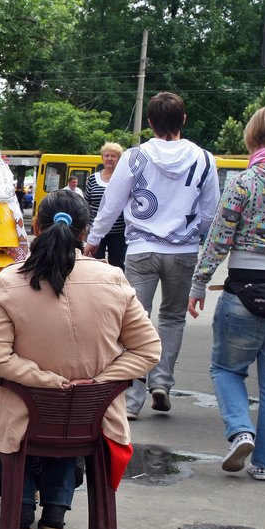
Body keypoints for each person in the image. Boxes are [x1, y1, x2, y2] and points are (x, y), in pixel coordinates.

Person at [0, 189, 160, 529]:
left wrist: (46, 380)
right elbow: (148, 350)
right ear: (84, 232)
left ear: (35, 227)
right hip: (93, 419)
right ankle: (56, 511)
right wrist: (98, 381)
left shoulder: (6, 281)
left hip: (23, 417)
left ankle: (22, 505)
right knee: (68, 414)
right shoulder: (114, 279)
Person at [84, 92, 219, 419]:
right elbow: (209, 212)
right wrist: (190, 234)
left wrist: (93, 240)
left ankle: (131, 400)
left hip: (141, 250)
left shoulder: (133, 157)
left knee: (134, 321)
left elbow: (111, 205)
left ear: (149, 123)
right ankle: (162, 382)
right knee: (172, 319)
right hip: (183, 252)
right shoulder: (203, 158)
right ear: (183, 119)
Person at [187, 105, 265, 482]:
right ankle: (264, 465)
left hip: (244, 293)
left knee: (227, 368)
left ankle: (240, 430)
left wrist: (199, 284)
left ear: (254, 137)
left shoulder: (245, 182)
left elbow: (218, 239)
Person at [85, 142, 128, 269]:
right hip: (96, 230)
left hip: (119, 232)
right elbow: (87, 204)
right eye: (107, 155)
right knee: (95, 264)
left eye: (113, 156)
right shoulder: (93, 179)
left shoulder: (124, 178)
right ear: (102, 158)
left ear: (119, 159)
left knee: (117, 265)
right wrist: (87, 226)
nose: (109, 158)